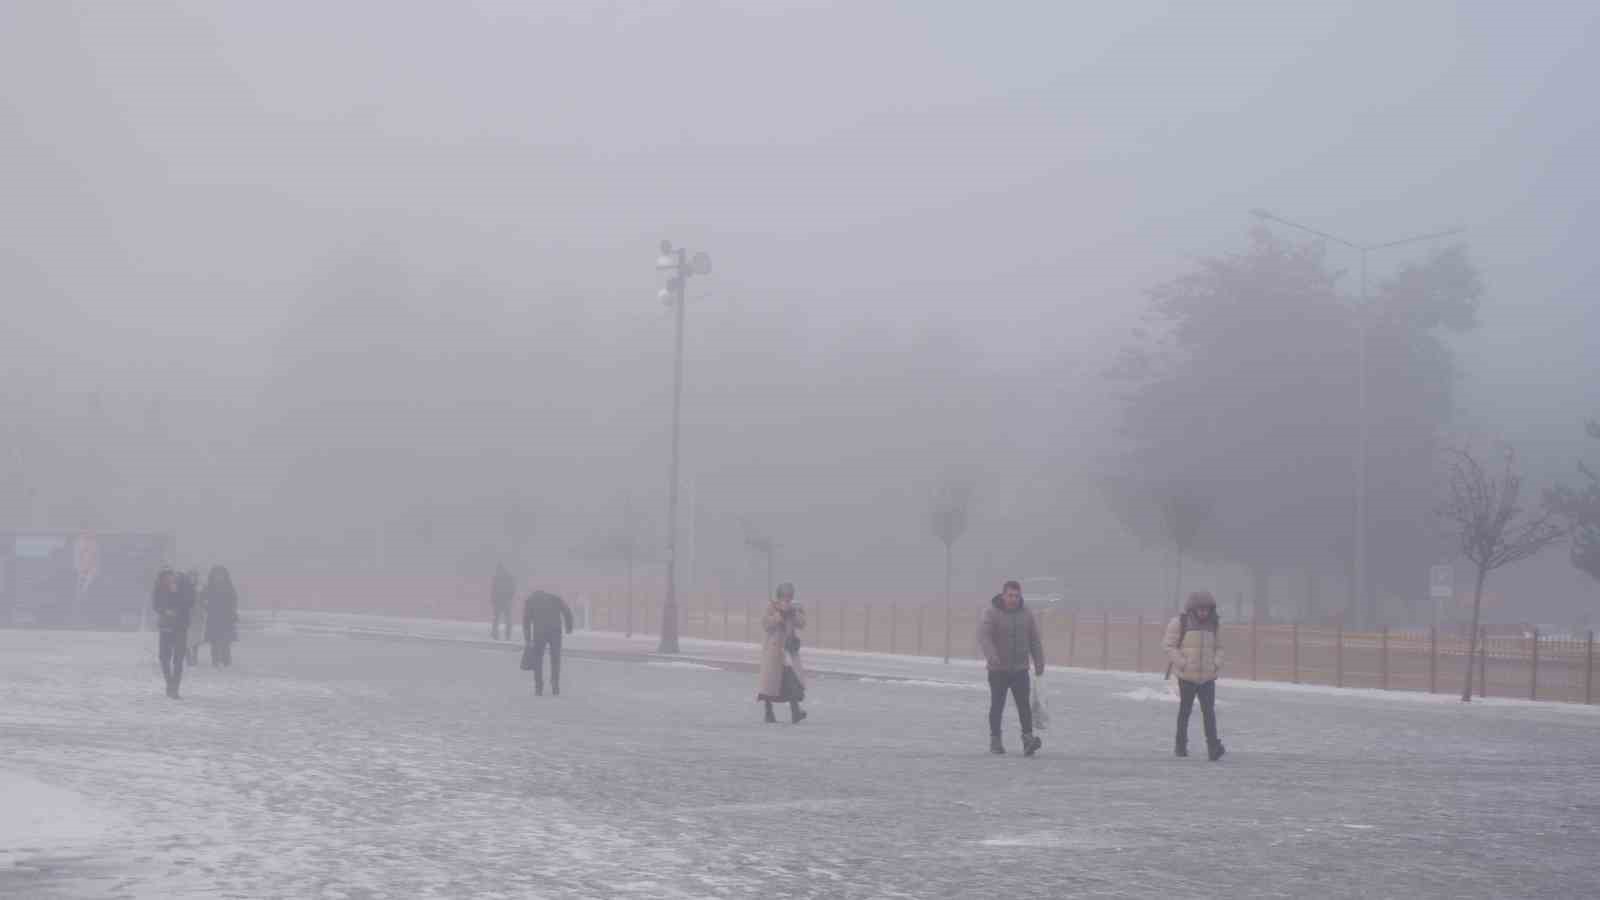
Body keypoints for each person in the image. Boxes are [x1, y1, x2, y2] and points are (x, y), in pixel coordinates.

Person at [978, 580, 1045, 756]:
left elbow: (1034, 639)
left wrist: (1039, 660)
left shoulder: (1027, 614)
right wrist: (992, 657)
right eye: (1010, 595)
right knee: (997, 705)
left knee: (1024, 705)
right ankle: (995, 741)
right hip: (998, 669)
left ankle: (1028, 740)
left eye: (1016, 596)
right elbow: (985, 637)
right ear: (1003, 595)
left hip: (1020, 669)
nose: (1013, 599)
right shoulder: (991, 613)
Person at [1164, 591, 1226, 761]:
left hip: (1207, 677)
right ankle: (1180, 745)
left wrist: (1215, 664)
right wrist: (1182, 664)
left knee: (1209, 713)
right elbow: (1169, 646)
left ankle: (1213, 747)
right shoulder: (1180, 622)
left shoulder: (1214, 624)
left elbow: (1220, 648)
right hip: (1187, 677)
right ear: (1193, 609)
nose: (1203, 613)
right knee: (1185, 712)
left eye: (1206, 610)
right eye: (1200, 609)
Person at [756, 583, 808, 724]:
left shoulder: (794, 608)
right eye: (784, 596)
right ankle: (768, 712)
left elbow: (802, 624)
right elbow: (766, 624)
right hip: (773, 651)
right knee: (769, 685)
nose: (787, 599)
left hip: (788, 651)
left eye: (789, 596)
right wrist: (779, 615)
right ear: (779, 596)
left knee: (792, 681)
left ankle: (795, 711)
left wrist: (792, 613)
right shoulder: (771, 607)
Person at [151, 568, 195, 698]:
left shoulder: (183, 588)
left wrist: (177, 594)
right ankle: (169, 682)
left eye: (171, 576)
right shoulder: (159, 589)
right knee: (164, 658)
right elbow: (156, 605)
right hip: (166, 626)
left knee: (178, 658)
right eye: (166, 577)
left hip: (180, 626)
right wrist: (164, 611)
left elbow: (190, 603)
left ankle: (174, 687)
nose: (169, 579)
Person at [523, 589, 573, 696]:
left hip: (539, 633)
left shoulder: (531, 601)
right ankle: (555, 686)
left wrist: (528, 639)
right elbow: (567, 611)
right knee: (555, 659)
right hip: (555, 631)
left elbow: (526, 621)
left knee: (538, 660)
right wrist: (569, 627)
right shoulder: (554, 598)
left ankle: (538, 687)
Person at [204, 566, 239, 666]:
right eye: (217, 574)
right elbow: (202, 599)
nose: (219, 577)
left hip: (226, 617)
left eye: (221, 574)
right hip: (213, 617)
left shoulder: (229, 587)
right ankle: (215, 660)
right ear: (213, 576)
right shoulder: (209, 587)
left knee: (226, 641)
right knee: (214, 641)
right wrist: (207, 606)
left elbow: (234, 600)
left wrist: (232, 611)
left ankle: (226, 660)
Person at [185, 570, 208, 666]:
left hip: (198, 615)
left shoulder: (200, 588)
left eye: (194, 576)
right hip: (187, 615)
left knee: (196, 637)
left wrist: (204, 608)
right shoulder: (184, 588)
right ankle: (188, 656)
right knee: (186, 637)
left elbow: (204, 601)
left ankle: (194, 655)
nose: (192, 578)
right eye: (191, 576)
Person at [491, 564, 515, 641]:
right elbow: (512, 589)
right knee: (507, 619)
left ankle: (495, 634)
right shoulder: (509, 577)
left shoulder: (497, 577)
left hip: (499, 601)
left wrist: (493, 599)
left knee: (496, 619)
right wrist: (509, 598)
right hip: (505, 601)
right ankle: (507, 635)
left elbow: (493, 589)